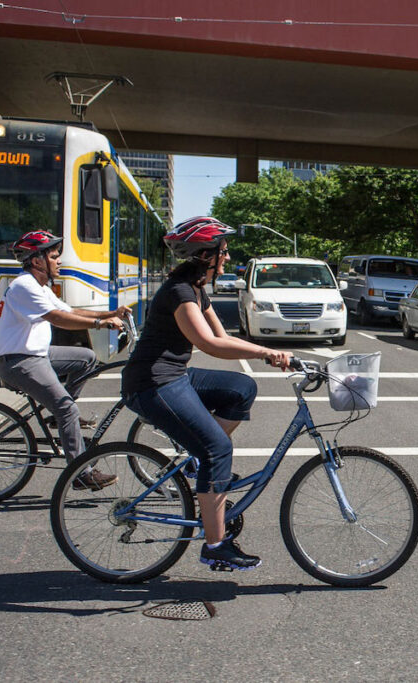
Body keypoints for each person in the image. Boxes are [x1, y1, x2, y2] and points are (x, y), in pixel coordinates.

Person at [121, 216, 292, 571]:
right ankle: (215, 546)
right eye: (222, 251)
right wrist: (263, 354)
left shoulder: (198, 288)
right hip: (152, 383)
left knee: (241, 388)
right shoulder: (180, 292)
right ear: (204, 255)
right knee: (217, 448)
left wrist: (269, 352)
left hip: (175, 376)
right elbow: (210, 344)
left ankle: (202, 463)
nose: (227, 257)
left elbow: (224, 335)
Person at [0, 230, 129, 490]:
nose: (59, 261)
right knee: (67, 407)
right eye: (54, 257)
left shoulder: (38, 286)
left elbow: (70, 310)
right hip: (19, 362)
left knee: (87, 358)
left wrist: (112, 312)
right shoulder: (24, 286)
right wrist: (101, 323)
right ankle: (80, 473)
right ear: (37, 261)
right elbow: (58, 318)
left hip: (37, 355)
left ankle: (58, 418)